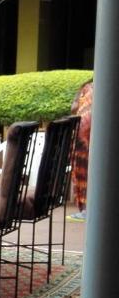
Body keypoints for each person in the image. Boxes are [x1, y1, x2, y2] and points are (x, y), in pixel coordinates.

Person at [67, 80, 93, 222]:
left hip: (83, 137)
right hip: (92, 137)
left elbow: (74, 107)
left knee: (84, 173)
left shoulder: (88, 88)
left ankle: (86, 210)